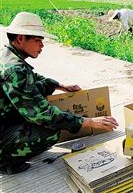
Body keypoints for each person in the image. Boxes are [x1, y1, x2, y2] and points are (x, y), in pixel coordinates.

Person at [0, 12, 118, 175]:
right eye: (38, 40)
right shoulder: (14, 69)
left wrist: (60, 86)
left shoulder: (7, 57)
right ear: (20, 38)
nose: (42, 45)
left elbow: (34, 79)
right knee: (51, 130)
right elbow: (42, 114)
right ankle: (5, 162)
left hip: (6, 121)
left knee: (41, 93)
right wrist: (88, 122)